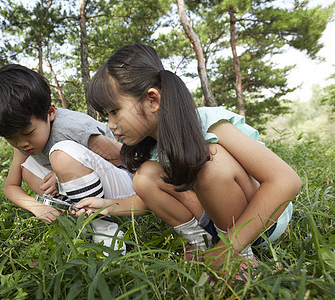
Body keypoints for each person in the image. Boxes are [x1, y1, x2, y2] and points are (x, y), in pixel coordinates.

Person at [72, 44, 301, 270]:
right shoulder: (151, 146)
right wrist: (108, 206)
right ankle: (203, 244)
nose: (111, 125)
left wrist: (230, 248)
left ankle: (238, 259)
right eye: (106, 115)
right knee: (144, 178)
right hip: (219, 224)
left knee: (210, 162)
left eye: (114, 111)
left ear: (152, 100)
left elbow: (285, 181)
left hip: (262, 222)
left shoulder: (209, 123)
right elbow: (150, 199)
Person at [0, 64, 136, 254]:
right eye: (11, 138)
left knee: (62, 155)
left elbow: (125, 158)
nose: (22, 144)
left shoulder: (70, 129)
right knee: (28, 168)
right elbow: (11, 187)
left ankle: (105, 231)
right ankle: (78, 221)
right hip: (94, 188)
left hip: (127, 186)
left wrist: (60, 176)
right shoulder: (24, 142)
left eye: (28, 133)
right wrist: (37, 207)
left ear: (50, 112)